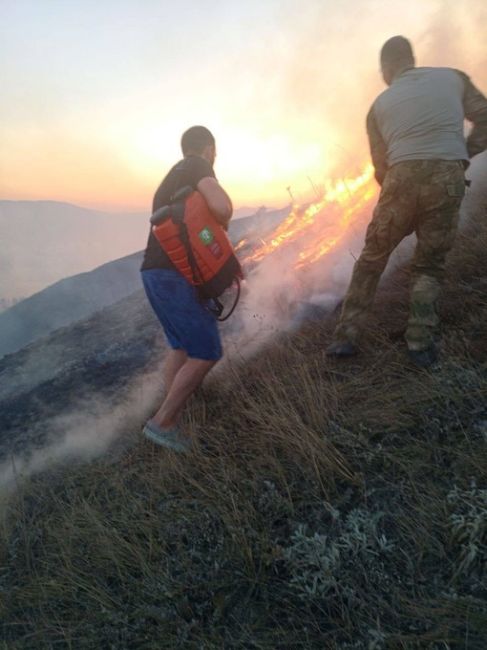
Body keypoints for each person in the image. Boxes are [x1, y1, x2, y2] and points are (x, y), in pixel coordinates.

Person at [327, 36, 487, 367]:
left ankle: (345, 339)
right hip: (447, 179)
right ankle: (420, 344)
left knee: (371, 259)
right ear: (411, 59)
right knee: (429, 265)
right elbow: (485, 117)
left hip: (400, 180)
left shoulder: (378, 107)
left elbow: (380, 167)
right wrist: (460, 157)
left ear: (387, 68)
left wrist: (399, 198)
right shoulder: (453, 78)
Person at [140, 126, 233, 450]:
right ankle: (163, 422)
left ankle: (179, 406)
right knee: (207, 352)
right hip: (173, 276)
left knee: (180, 346)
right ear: (208, 149)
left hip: (153, 274)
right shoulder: (198, 165)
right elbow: (221, 207)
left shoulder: (170, 178)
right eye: (215, 152)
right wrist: (225, 223)